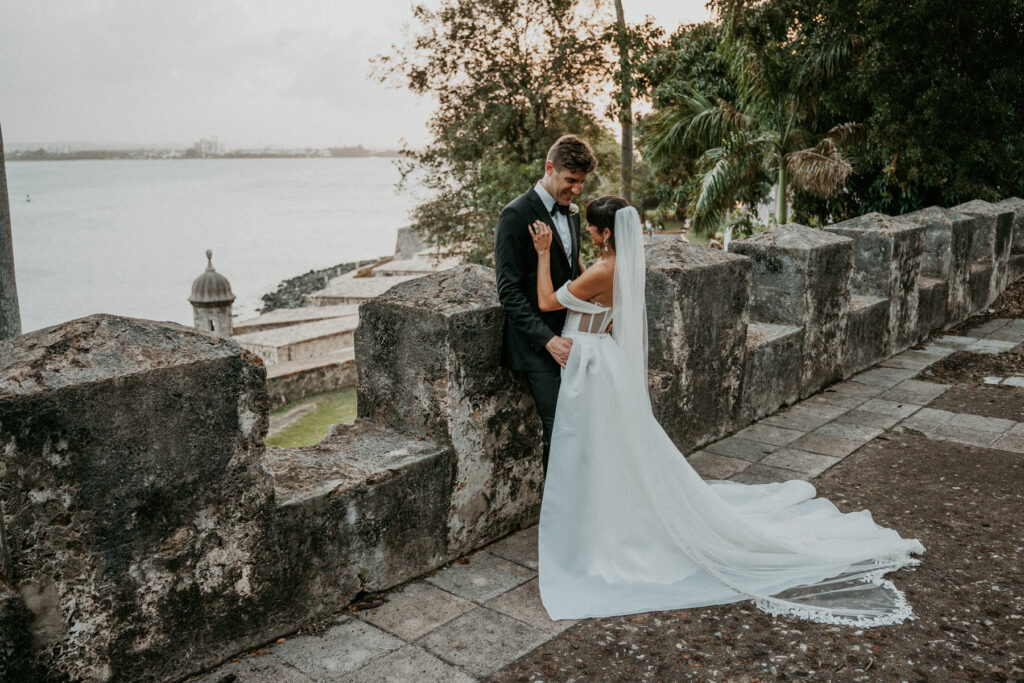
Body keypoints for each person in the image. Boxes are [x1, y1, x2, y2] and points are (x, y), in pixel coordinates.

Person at [528, 195, 925, 626]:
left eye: (592, 228)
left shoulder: (605, 268)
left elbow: (548, 302)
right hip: (603, 359)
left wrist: (545, 253)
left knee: (594, 449)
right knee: (609, 452)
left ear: (605, 233)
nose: (588, 232)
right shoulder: (622, 267)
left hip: (589, 364)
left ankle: (600, 532)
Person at [494, 135, 597, 474]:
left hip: (574, 336)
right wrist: (548, 341)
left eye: (582, 183)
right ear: (549, 168)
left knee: (581, 424)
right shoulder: (515, 214)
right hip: (537, 346)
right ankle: (559, 513)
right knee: (560, 429)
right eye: (571, 181)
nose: (576, 190)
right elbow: (509, 292)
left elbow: (571, 268)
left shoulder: (573, 213)